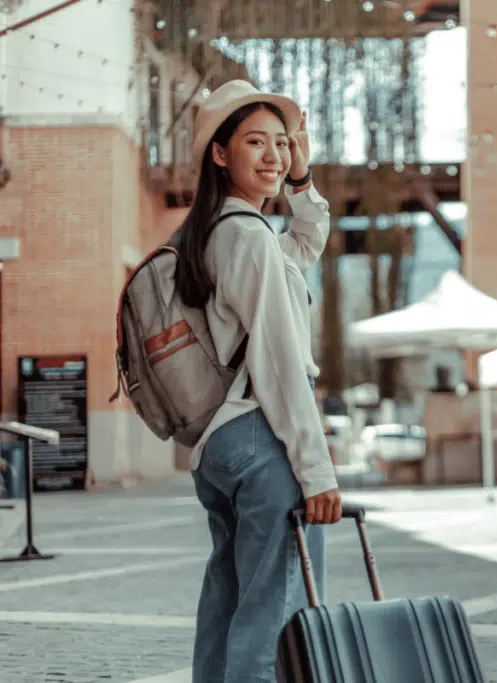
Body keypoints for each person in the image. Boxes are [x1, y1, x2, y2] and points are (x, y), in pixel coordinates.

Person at [172, 80, 342, 683]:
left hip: (218, 445)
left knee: (229, 603)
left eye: (281, 143)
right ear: (220, 153)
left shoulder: (219, 233)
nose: (274, 155)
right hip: (259, 439)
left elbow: (307, 242)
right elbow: (279, 363)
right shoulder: (249, 240)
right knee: (274, 616)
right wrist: (316, 470)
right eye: (255, 143)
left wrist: (302, 183)